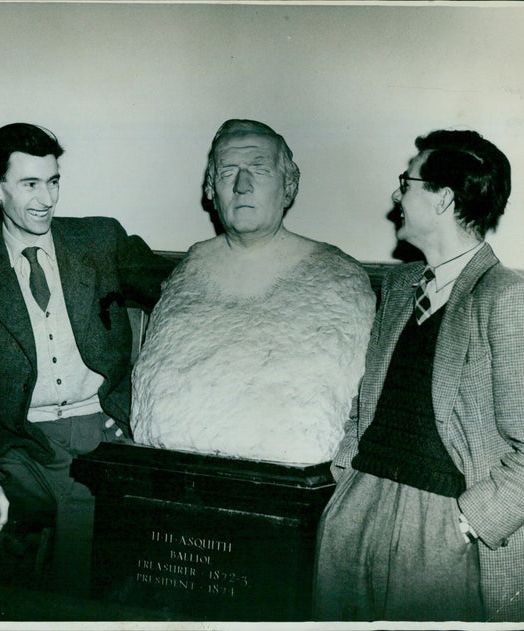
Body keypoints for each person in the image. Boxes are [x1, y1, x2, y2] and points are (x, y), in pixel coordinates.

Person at [0, 123, 174, 584]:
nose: (47, 199)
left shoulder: (100, 240)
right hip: (21, 441)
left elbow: (178, 291)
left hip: (106, 427)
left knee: (96, 507)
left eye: (53, 181)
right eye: (30, 184)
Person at [313, 130, 524, 622]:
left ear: (443, 199)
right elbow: (366, 398)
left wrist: (467, 522)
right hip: (358, 503)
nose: (397, 195)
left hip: (441, 529)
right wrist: (346, 475)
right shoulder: (397, 287)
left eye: (407, 181)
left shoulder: (508, 298)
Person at [131, 119, 375, 465]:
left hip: (287, 483)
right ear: (211, 187)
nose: (242, 186)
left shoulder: (336, 277)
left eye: (259, 171)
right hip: (171, 467)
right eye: (229, 171)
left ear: (289, 185)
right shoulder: (191, 268)